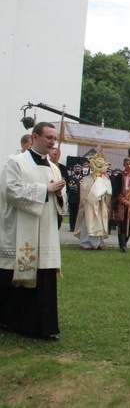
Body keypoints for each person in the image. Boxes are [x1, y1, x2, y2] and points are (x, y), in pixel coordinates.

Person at [0, 122, 67, 341]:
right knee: (17, 276)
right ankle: (14, 321)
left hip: (46, 231)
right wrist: (45, 189)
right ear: (34, 137)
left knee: (45, 278)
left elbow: (60, 203)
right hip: (22, 230)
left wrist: (58, 194)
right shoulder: (15, 162)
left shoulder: (53, 167)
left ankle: (45, 326)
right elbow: (11, 191)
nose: (52, 142)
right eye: (48, 138)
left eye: (54, 139)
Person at [73, 153, 112, 250]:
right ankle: (86, 242)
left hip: (100, 204)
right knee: (88, 221)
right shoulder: (87, 179)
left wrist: (102, 190)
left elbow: (108, 192)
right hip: (89, 204)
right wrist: (92, 189)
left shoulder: (105, 179)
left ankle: (98, 242)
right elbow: (83, 190)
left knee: (100, 221)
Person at [49, 147, 69, 230]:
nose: (56, 156)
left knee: (58, 219)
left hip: (60, 194)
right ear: (49, 154)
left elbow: (67, 180)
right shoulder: (47, 165)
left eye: (58, 155)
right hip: (49, 194)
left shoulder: (62, 168)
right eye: (54, 154)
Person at [66, 164, 83, 232]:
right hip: (72, 199)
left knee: (79, 214)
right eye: (76, 169)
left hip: (80, 199)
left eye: (79, 169)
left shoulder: (83, 178)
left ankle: (78, 227)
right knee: (72, 214)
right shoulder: (70, 177)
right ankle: (72, 227)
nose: (77, 170)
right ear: (74, 169)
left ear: (81, 170)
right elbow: (68, 187)